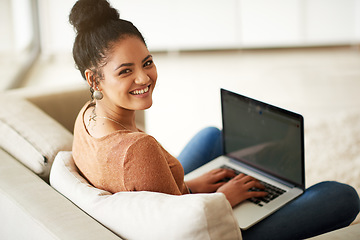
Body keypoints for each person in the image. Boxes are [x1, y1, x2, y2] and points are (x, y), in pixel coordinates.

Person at [70, 0, 359, 239]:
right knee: (341, 196)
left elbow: (154, 199)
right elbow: (181, 228)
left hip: (164, 207)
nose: (144, 77)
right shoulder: (137, 149)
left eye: (147, 62)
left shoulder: (87, 116)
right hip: (212, 233)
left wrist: (191, 187)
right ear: (94, 79)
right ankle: (274, 194)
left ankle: (264, 184)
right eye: (125, 71)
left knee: (211, 135)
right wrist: (224, 198)